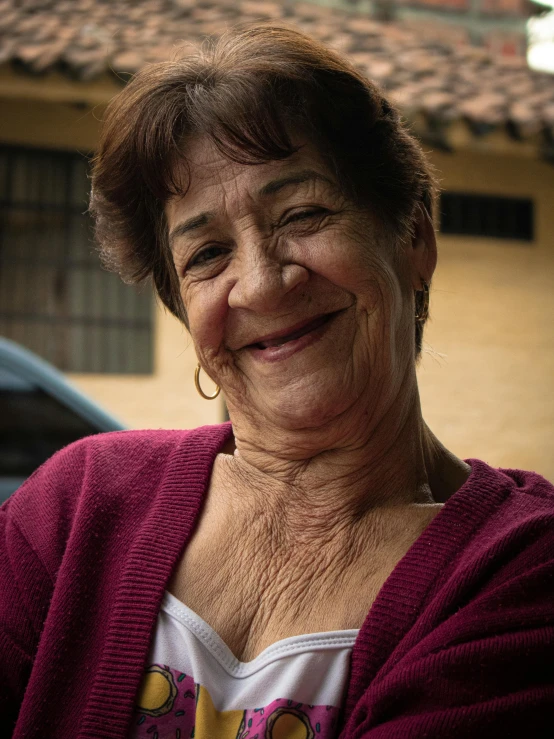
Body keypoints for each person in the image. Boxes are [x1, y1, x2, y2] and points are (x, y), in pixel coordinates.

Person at [1, 24, 553, 739]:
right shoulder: (76, 510)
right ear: (181, 306)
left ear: (414, 237)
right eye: (207, 254)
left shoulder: (518, 570)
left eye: (304, 214)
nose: (261, 284)